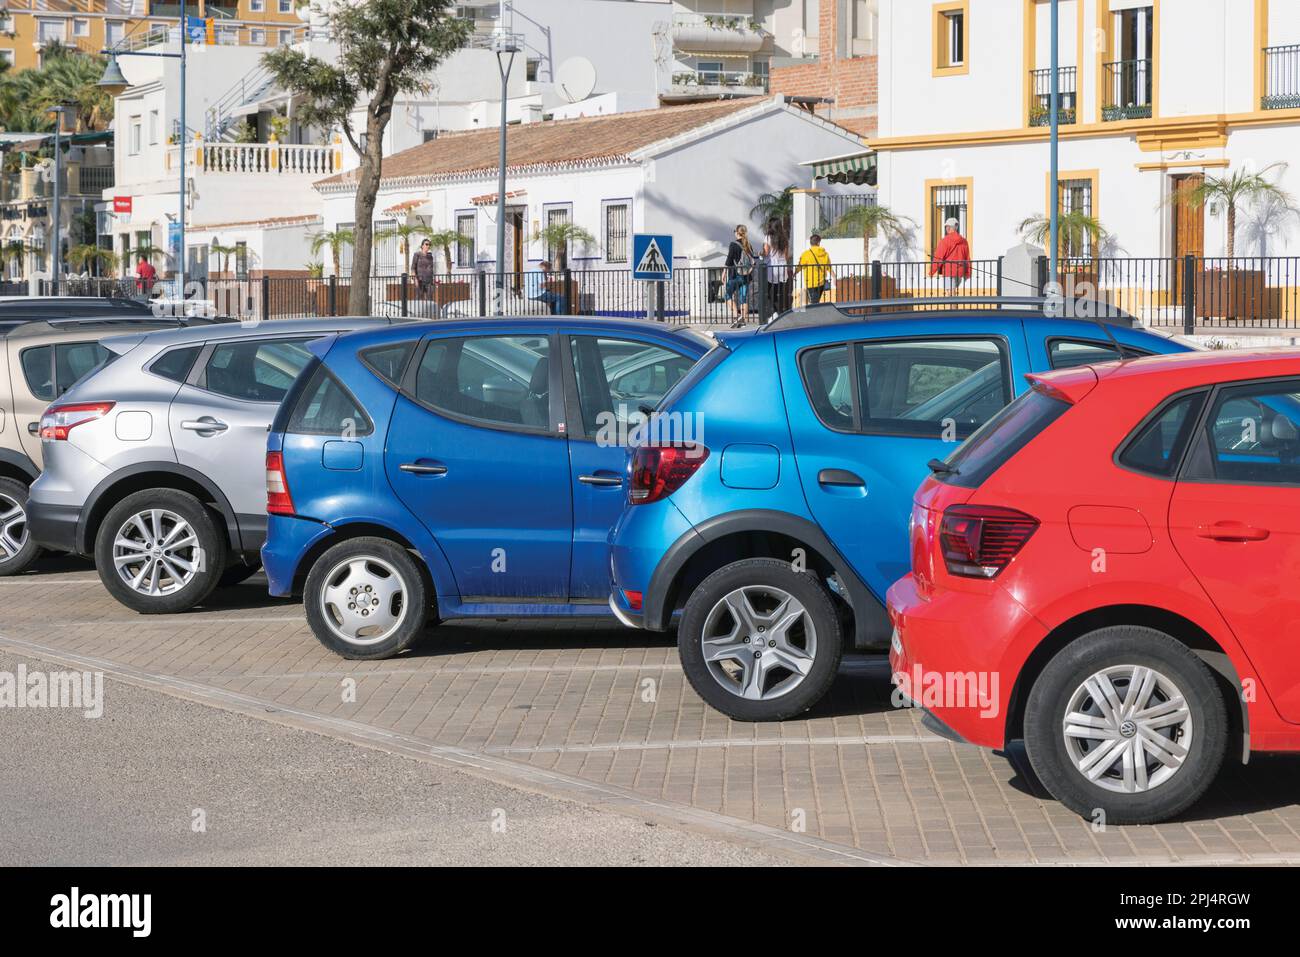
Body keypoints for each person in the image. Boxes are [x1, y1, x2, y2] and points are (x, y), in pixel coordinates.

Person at [930, 217, 972, 292]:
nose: (946, 229)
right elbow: (967, 258)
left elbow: (938, 257)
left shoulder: (945, 241)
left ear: (948, 228)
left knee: (950, 295)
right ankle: (954, 303)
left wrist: (931, 271)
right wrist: (968, 272)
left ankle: (953, 304)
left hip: (949, 271)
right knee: (953, 293)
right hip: (960, 271)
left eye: (946, 227)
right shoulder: (964, 241)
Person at [724, 224, 755, 322]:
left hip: (735, 275)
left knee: (727, 295)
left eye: (734, 231)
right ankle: (744, 319)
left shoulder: (733, 244)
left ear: (737, 233)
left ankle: (735, 314)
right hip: (746, 275)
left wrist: (724, 272)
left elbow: (729, 260)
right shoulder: (748, 244)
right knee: (743, 298)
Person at [764, 225, 792, 317]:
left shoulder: (768, 237)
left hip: (772, 268)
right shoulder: (784, 238)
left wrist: (761, 253)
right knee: (778, 292)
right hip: (782, 267)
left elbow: (766, 252)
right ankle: (778, 313)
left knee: (766, 292)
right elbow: (787, 256)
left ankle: (773, 312)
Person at [798, 233, 833, 305]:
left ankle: (813, 315)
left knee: (814, 303)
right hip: (821, 282)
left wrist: (794, 273)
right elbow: (828, 267)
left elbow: (800, 266)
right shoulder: (825, 254)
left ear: (810, 243)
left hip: (811, 282)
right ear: (818, 242)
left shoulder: (806, 254)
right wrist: (834, 277)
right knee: (815, 302)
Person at [410, 238, 436, 302]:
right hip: (420, 280)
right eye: (426, 244)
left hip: (429, 281)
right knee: (418, 298)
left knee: (430, 298)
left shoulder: (430, 256)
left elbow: (431, 268)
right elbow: (413, 267)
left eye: (429, 245)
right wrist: (415, 279)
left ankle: (428, 312)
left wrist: (433, 280)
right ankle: (417, 312)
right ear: (422, 246)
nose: (428, 246)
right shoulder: (417, 255)